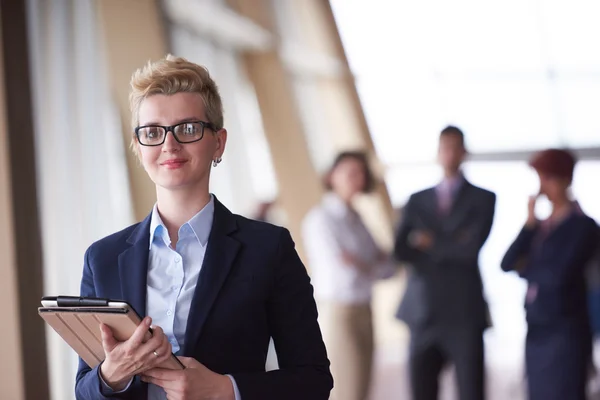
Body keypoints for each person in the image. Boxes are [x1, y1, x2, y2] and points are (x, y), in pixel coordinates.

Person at [74, 55, 333, 400]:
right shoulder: (102, 258)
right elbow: (83, 390)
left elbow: (314, 380)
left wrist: (226, 389)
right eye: (153, 132)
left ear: (219, 142)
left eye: (188, 128)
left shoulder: (268, 248)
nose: (169, 144)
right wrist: (111, 376)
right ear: (138, 147)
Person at [394, 126, 496, 400]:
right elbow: (401, 250)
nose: (449, 154)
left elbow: (470, 250)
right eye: (444, 148)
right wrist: (453, 241)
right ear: (438, 153)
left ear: (464, 152)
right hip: (422, 311)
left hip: (464, 312)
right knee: (421, 391)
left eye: (454, 148)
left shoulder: (484, 198)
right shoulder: (416, 200)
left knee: (471, 390)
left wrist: (429, 242)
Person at [501, 148, 600, 400]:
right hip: (537, 327)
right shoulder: (540, 228)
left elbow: (559, 274)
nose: (542, 187)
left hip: (566, 330)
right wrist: (529, 223)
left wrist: (528, 268)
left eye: (546, 178)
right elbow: (508, 262)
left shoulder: (583, 226)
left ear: (564, 179)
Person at [302, 151, 396, 400]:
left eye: (361, 173)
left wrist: (362, 265)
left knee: (363, 388)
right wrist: (369, 265)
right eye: (350, 172)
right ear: (332, 176)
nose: (356, 178)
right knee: (347, 389)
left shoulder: (357, 219)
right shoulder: (321, 220)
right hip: (340, 313)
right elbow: (346, 274)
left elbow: (389, 268)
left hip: (365, 308)